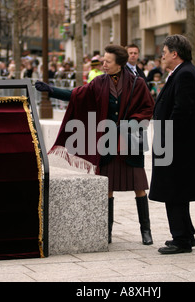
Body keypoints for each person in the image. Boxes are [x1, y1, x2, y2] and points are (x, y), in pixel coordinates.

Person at [34, 45, 155, 246]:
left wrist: (132, 122)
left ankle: (146, 231)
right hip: (107, 142)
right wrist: (52, 90)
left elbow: (148, 107)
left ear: (119, 63)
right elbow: (77, 94)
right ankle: (105, 232)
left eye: (107, 61)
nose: (103, 65)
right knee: (106, 187)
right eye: (102, 61)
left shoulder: (138, 83)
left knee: (139, 187)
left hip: (130, 142)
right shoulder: (98, 82)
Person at [150, 34, 195, 254]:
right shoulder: (181, 72)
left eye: (165, 52)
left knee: (174, 191)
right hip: (174, 142)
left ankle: (181, 239)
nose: (162, 56)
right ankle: (186, 233)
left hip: (176, 144)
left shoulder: (185, 74)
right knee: (176, 192)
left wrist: (168, 138)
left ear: (175, 53)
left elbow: (182, 110)